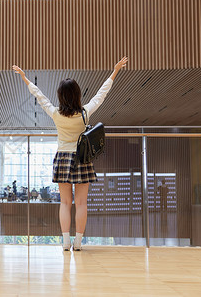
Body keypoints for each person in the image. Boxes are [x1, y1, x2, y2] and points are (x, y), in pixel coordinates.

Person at [12, 57, 128, 251]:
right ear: (77, 94)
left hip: (63, 158)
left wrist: (24, 78)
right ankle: (78, 243)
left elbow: (39, 96)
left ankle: (65, 242)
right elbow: (101, 94)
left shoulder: (55, 113)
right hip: (82, 159)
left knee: (65, 203)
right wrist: (114, 71)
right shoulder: (84, 113)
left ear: (60, 96)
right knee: (81, 203)